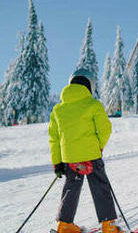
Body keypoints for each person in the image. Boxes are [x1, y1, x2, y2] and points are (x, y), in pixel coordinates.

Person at [49, 69, 124, 233]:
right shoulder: (93, 104)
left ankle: (65, 225)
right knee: (100, 186)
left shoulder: (58, 110)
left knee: (71, 188)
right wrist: (99, 146)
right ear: (90, 86)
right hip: (91, 155)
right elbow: (105, 129)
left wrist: (57, 162)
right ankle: (108, 225)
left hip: (70, 158)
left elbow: (54, 138)